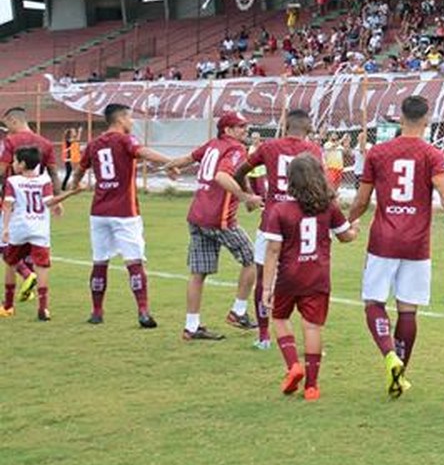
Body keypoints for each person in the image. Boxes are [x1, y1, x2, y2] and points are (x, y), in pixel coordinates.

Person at [348, 95, 444, 398]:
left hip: (383, 239)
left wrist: (347, 222)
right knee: (408, 310)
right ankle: (400, 374)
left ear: (400, 118)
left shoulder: (378, 153)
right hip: (417, 243)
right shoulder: (433, 154)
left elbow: (361, 199)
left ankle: (389, 356)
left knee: (374, 302)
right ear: (426, 120)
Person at [259, 155, 357, 401]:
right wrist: (356, 229)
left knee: (279, 318)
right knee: (312, 326)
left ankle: (293, 365)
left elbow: (272, 251)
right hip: (318, 276)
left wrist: (266, 287)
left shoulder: (280, 210)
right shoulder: (328, 207)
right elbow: (346, 237)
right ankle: (312, 386)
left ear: (290, 180)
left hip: (289, 277)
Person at [71, 103, 178, 327]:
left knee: (99, 261)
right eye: (130, 118)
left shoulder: (93, 144)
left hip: (99, 211)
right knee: (134, 262)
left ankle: (97, 312)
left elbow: (80, 168)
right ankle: (143, 312)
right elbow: (143, 152)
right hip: (124, 212)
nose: (132, 123)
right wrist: (170, 162)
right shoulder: (125, 140)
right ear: (120, 120)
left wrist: (75, 183)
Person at [233, 109, 323, 349]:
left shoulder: (269, 147)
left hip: (272, 220)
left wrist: (250, 196)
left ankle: (263, 336)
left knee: (264, 278)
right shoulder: (314, 150)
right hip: (302, 224)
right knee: (306, 281)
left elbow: (240, 171)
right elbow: (322, 185)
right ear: (308, 127)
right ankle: (309, 337)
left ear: (285, 126)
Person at [169, 112, 262, 341]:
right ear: (228, 130)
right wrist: (245, 197)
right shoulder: (236, 148)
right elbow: (222, 176)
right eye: (240, 126)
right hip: (218, 218)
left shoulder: (213, 144)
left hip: (197, 215)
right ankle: (238, 312)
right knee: (252, 259)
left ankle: (191, 327)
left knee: (198, 273)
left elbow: (188, 158)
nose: (245, 130)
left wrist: (169, 166)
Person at [1, 146, 72, 321]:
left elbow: (8, 205)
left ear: (23, 164)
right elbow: (50, 202)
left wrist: (6, 228)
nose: (14, 163)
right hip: (39, 229)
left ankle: (8, 306)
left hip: (19, 228)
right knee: (42, 267)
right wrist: (71, 193)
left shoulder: (13, 181)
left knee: (10, 263)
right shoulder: (44, 180)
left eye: (16, 160)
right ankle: (43, 308)